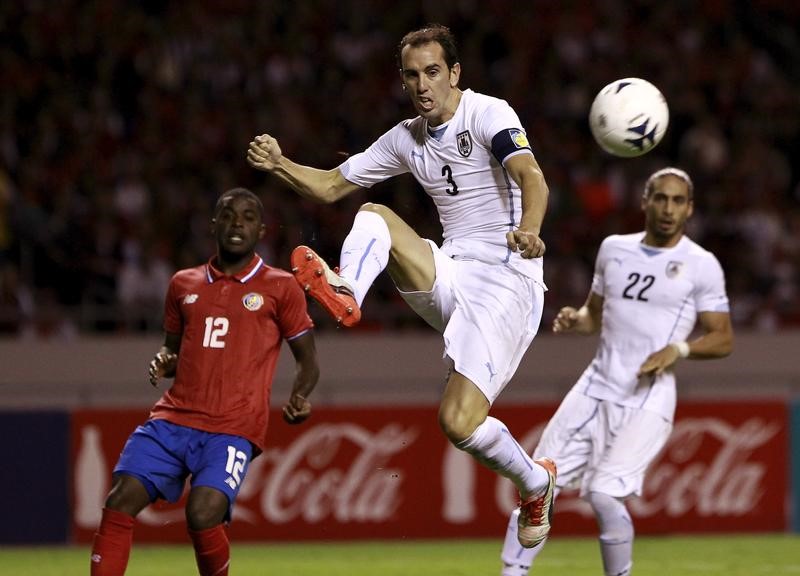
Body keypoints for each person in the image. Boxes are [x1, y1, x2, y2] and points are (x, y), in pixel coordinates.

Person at [247, 23, 556, 547]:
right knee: (373, 214)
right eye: (412, 76)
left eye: (433, 72)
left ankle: (535, 483)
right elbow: (329, 186)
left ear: (455, 73)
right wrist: (279, 163)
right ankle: (346, 290)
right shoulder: (405, 138)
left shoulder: (489, 113)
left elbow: (532, 176)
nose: (422, 85)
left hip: (507, 281)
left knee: (457, 424)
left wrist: (529, 229)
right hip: (452, 271)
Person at [499, 167, 734, 576]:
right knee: (536, 484)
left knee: (605, 494)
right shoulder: (613, 249)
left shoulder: (701, 265)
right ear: (645, 201)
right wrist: (578, 319)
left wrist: (678, 349)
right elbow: (595, 314)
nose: (668, 208)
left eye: (678, 201)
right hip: (594, 386)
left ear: (690, 209)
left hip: (648, 397)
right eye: (660, 198)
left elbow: (722, 338)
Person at [89, 187, 320, 576]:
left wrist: (300, 395)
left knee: (203, 511)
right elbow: (176, 352)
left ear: (261, 230)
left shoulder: (281, 287)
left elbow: (308, 360)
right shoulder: (183, 283)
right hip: (174, 418)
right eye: (229, 215)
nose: (237, 224)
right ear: (214, 224)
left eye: (248, 217)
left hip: (232, 427)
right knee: (120, 498)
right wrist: (166, 361)